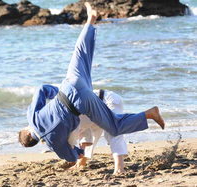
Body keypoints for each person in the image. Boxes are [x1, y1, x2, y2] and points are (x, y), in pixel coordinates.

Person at [18, 2, 165, 163]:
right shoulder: (32, 117)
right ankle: (91, 19)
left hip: (81, 102)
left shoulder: (53, 144)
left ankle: (149, 114)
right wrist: (56, 92)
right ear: (27, 130)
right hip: (68, 86)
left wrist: (77, 152)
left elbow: (72, 156)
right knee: (80, 52)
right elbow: (41, 89)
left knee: (114, 126)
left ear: (36, 141)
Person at [67, 89, 128, 175]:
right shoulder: (71, 123)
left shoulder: (69, 118)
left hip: (108, 100)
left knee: (113, 131)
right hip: (94, 109)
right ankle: (81, 162)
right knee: (90, 132)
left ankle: (119, 168)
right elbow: (84, 134)